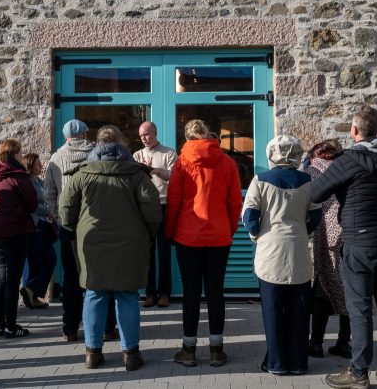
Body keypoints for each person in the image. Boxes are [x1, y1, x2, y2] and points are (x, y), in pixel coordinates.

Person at [310, 105, 377, 389]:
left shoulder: (350, 159)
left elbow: (315, 192)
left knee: (360, 309)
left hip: (359, 243)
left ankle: (359, 372)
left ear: (354, 130)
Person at [59, 127, 161, 371]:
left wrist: (78, 228)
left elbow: (65, 210)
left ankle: (92, 353)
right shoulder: (136, 174)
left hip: (92, 242)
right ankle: (131, 354)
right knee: (127, 295)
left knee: (94, 294)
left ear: (96, 145)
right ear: (122, 145)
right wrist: (148, 232)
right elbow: (152, 209)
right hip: (130, 242)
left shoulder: (82, 173)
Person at [165, 119, 242, 368]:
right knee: (215, 292)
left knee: (190, 293)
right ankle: (216, 350)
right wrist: (228, 230)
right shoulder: (228, 162)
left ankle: (189, 349)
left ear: (187, 136)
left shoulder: (182, 163)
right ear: (208, 135)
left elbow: (174, 202)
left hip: (188, 235)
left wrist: (170, 232)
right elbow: (235, 203)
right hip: (219, 235)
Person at [243, 135, 322, 376]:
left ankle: (276, 362)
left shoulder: (261, 180)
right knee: (299, 311)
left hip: (270, 253)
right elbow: (315, 217)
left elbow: (250, 217)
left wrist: (258, 235)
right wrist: (300, 231)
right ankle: (298, 362)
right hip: (297, 250)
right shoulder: (308, 181)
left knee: (273, 311)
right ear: (297, 154)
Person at [45, 119, 95, 342]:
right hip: (93, 222)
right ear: (84, 134)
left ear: (66, 136)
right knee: (97, 276)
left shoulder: (56, 158)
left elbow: (49, 193)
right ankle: (101, 325)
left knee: (70, 277)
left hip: (68, 224)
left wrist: (57, 215)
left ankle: (70, 327)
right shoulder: (95, 154)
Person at [0, 138, 38, 338]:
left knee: (1, 277)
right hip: (14, 231)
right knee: (12, 279)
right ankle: (10, 325)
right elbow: (32, 203)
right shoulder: (19, 177)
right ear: (15, 155)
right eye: (20, 153)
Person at [306, 139, 351, 359]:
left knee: (323, 287)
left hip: (326, 238)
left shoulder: (313, 171)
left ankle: (315, 343)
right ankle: (344, 341)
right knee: (349, 289)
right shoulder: (348, 169)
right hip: (349, 233)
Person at [134, 121, 177, 308]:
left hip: (164, 205)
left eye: (147, 134)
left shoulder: (168, 153)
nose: (144, 138)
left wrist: (158, 172)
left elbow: (175, 177)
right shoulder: (137, 155)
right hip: (144, 208)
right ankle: (149, 293)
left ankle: (164, 293)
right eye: (142, 136)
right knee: (147, 253)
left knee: (164, 253)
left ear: (155, 133)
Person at [21, 152, 56, 310]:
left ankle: (31, 290)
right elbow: (33, 204)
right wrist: (47, 212)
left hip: (43, 225)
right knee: (34, 259)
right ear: (29, 165)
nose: (41, 166)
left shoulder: (39, 181)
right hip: (34, 225)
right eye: (37, 164)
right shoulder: (28, 182)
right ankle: (31, 292)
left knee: (49, 258)